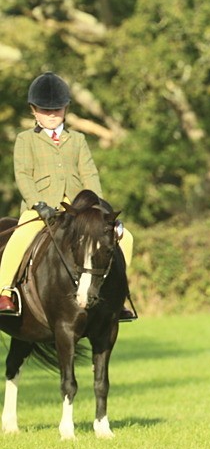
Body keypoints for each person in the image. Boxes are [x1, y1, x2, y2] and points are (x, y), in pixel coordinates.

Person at [0, 73, 135, 318]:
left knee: (125, 237)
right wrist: (37, 204)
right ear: (33, 110)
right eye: (45, 110)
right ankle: (5, 292)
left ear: (66, 109)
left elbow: (90, 175)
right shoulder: (25, 139)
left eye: (56, 110)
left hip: (78, 210)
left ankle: (118, 296)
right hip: (41, 208)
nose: (51, 115)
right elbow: (23, 175)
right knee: (21, 236)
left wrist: (98, 208)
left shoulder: (78, 140)